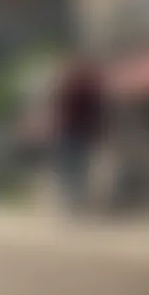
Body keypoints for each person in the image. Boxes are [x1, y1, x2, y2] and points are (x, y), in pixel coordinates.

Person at [53, 56, 106, 211]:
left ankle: (73, 200)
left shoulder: (75, 89)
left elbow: (96, 112)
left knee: (73, 168)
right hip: (76, 133)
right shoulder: (84, 90)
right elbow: (97, 113)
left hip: (73, 132)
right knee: (76, 168)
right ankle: (74, 199)